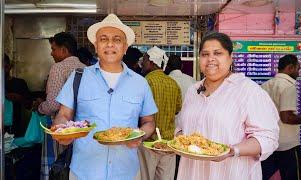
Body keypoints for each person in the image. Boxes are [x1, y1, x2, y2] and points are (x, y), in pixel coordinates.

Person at [54, 13, 158, 180]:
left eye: (117, 39)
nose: (110, 44)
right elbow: (63, 115)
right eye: (103, 39)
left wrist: (140, 135)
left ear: (125, 48)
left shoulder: (140, 83)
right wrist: (61, 130)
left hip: (127, 172)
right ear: (96, 46)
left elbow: (149, 122)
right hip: (84, 172)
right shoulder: (78, 77)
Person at [175, 32, 280, 180]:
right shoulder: (193, 90)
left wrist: (232, 150)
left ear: (230, 58)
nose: (210, 58)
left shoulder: (248, 90)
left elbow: (267, 137)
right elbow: (182, 129)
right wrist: (177, 142)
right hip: (192, 173)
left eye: (218, 53)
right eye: (205, 54)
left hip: (231, 173)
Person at [261, 54, 301, 180]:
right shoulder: (288, 87)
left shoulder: (265, 85)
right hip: (288, 146)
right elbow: (287, 118)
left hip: (270, 144)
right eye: (298, 69)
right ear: (290, 67)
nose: (299, 72)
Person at [35, 32, 85, 180]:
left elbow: (53, 104)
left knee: (58, 167)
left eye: (53, 49)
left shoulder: (58, 68)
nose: (51, 53)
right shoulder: (85, 68)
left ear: (64, 50)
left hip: (61, 128)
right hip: (81, 129)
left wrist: (39, 107)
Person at [138, 46, 182, 180]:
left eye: (144, 60)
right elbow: (177, 109)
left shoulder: (145, 82)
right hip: (168, 144)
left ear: (151, 62)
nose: (142, 64)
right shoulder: (173, 83)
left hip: (148, 143)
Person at [4, 53, 31, 137]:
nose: (3, 70)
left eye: (5, 67)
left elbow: (29, 104)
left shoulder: (19, 83)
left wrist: (20, 98)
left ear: (10, 66)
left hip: (16, 127)